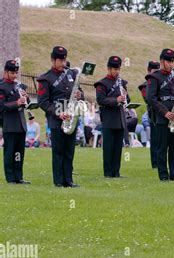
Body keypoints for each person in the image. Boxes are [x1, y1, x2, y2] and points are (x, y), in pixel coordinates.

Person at [37, 46, 83, 187]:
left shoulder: (71, 74)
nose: (63, 63)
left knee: (69, 151)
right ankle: (58, 181)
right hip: (57, 119)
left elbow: (80, 92)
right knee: (58, 152)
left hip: (70, 117)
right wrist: (58, 113)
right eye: (60, 60)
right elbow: (43, 102)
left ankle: (68, 180)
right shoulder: (45, 79)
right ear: (53, 60)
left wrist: (80, 94)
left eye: (64, 60)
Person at [146, 49, 174, 182]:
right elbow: (151, 98)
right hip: (163, 117)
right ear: (162, 61)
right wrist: (165, 112)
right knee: (162, 148)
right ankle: (163, 175)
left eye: (172, 61)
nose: (171, 64)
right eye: (168, 61)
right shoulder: (154, 77)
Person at [94, 56, 129, 178]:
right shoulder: (101, 84)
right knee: (108, 148)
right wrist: (116, 100)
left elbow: (127, 99)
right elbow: (101, 100)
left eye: (118, 68)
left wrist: (125, 97)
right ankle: (108, 173)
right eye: (114, 69)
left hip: (119, 119)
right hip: (108, 119)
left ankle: (116, 172)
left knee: (118, 148)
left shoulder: (122, 82)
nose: (117, 71)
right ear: (108, 68)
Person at [0, 59, 30, 184]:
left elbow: (25, 104)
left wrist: (26, 98)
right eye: (12, 73)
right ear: (6, 72)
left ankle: (19, 176)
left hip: (20, 124)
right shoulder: (1, 87)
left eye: (16, 73)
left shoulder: (18, 85)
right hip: (9, 124)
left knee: (19, 152)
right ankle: (10, 178)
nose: (14, 75)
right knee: (9, 152)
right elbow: (2, 106)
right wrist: (16, 103)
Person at [139, 61, 160, 167]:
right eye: (154, 71)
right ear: (149, 71)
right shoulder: (144, 86)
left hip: (162, 113)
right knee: (155, 138)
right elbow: (148, 99)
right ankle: (155, 163)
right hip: (153, 114)